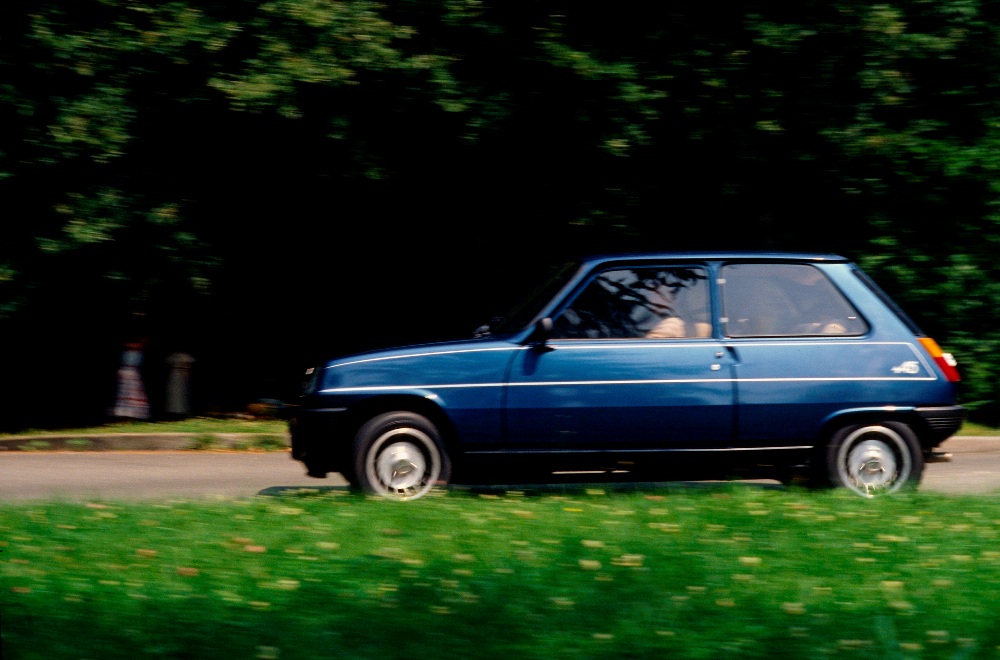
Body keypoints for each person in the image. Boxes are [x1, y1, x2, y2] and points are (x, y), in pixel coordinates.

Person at [112, 336, 151, 420]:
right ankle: (124, 413)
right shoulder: (127, 352)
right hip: (126, 373)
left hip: (133, 374)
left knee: (133, 393)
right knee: (125, 392)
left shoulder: (139, 353)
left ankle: (133, 413)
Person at [165, 349, 197, 419]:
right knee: (174, 394)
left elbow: (187, 366)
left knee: (182, 394)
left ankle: (181, 412)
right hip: (174, 376)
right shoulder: (174, 356)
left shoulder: (185, 356)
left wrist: (186, 373)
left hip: (180, 377)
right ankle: (175, 411)